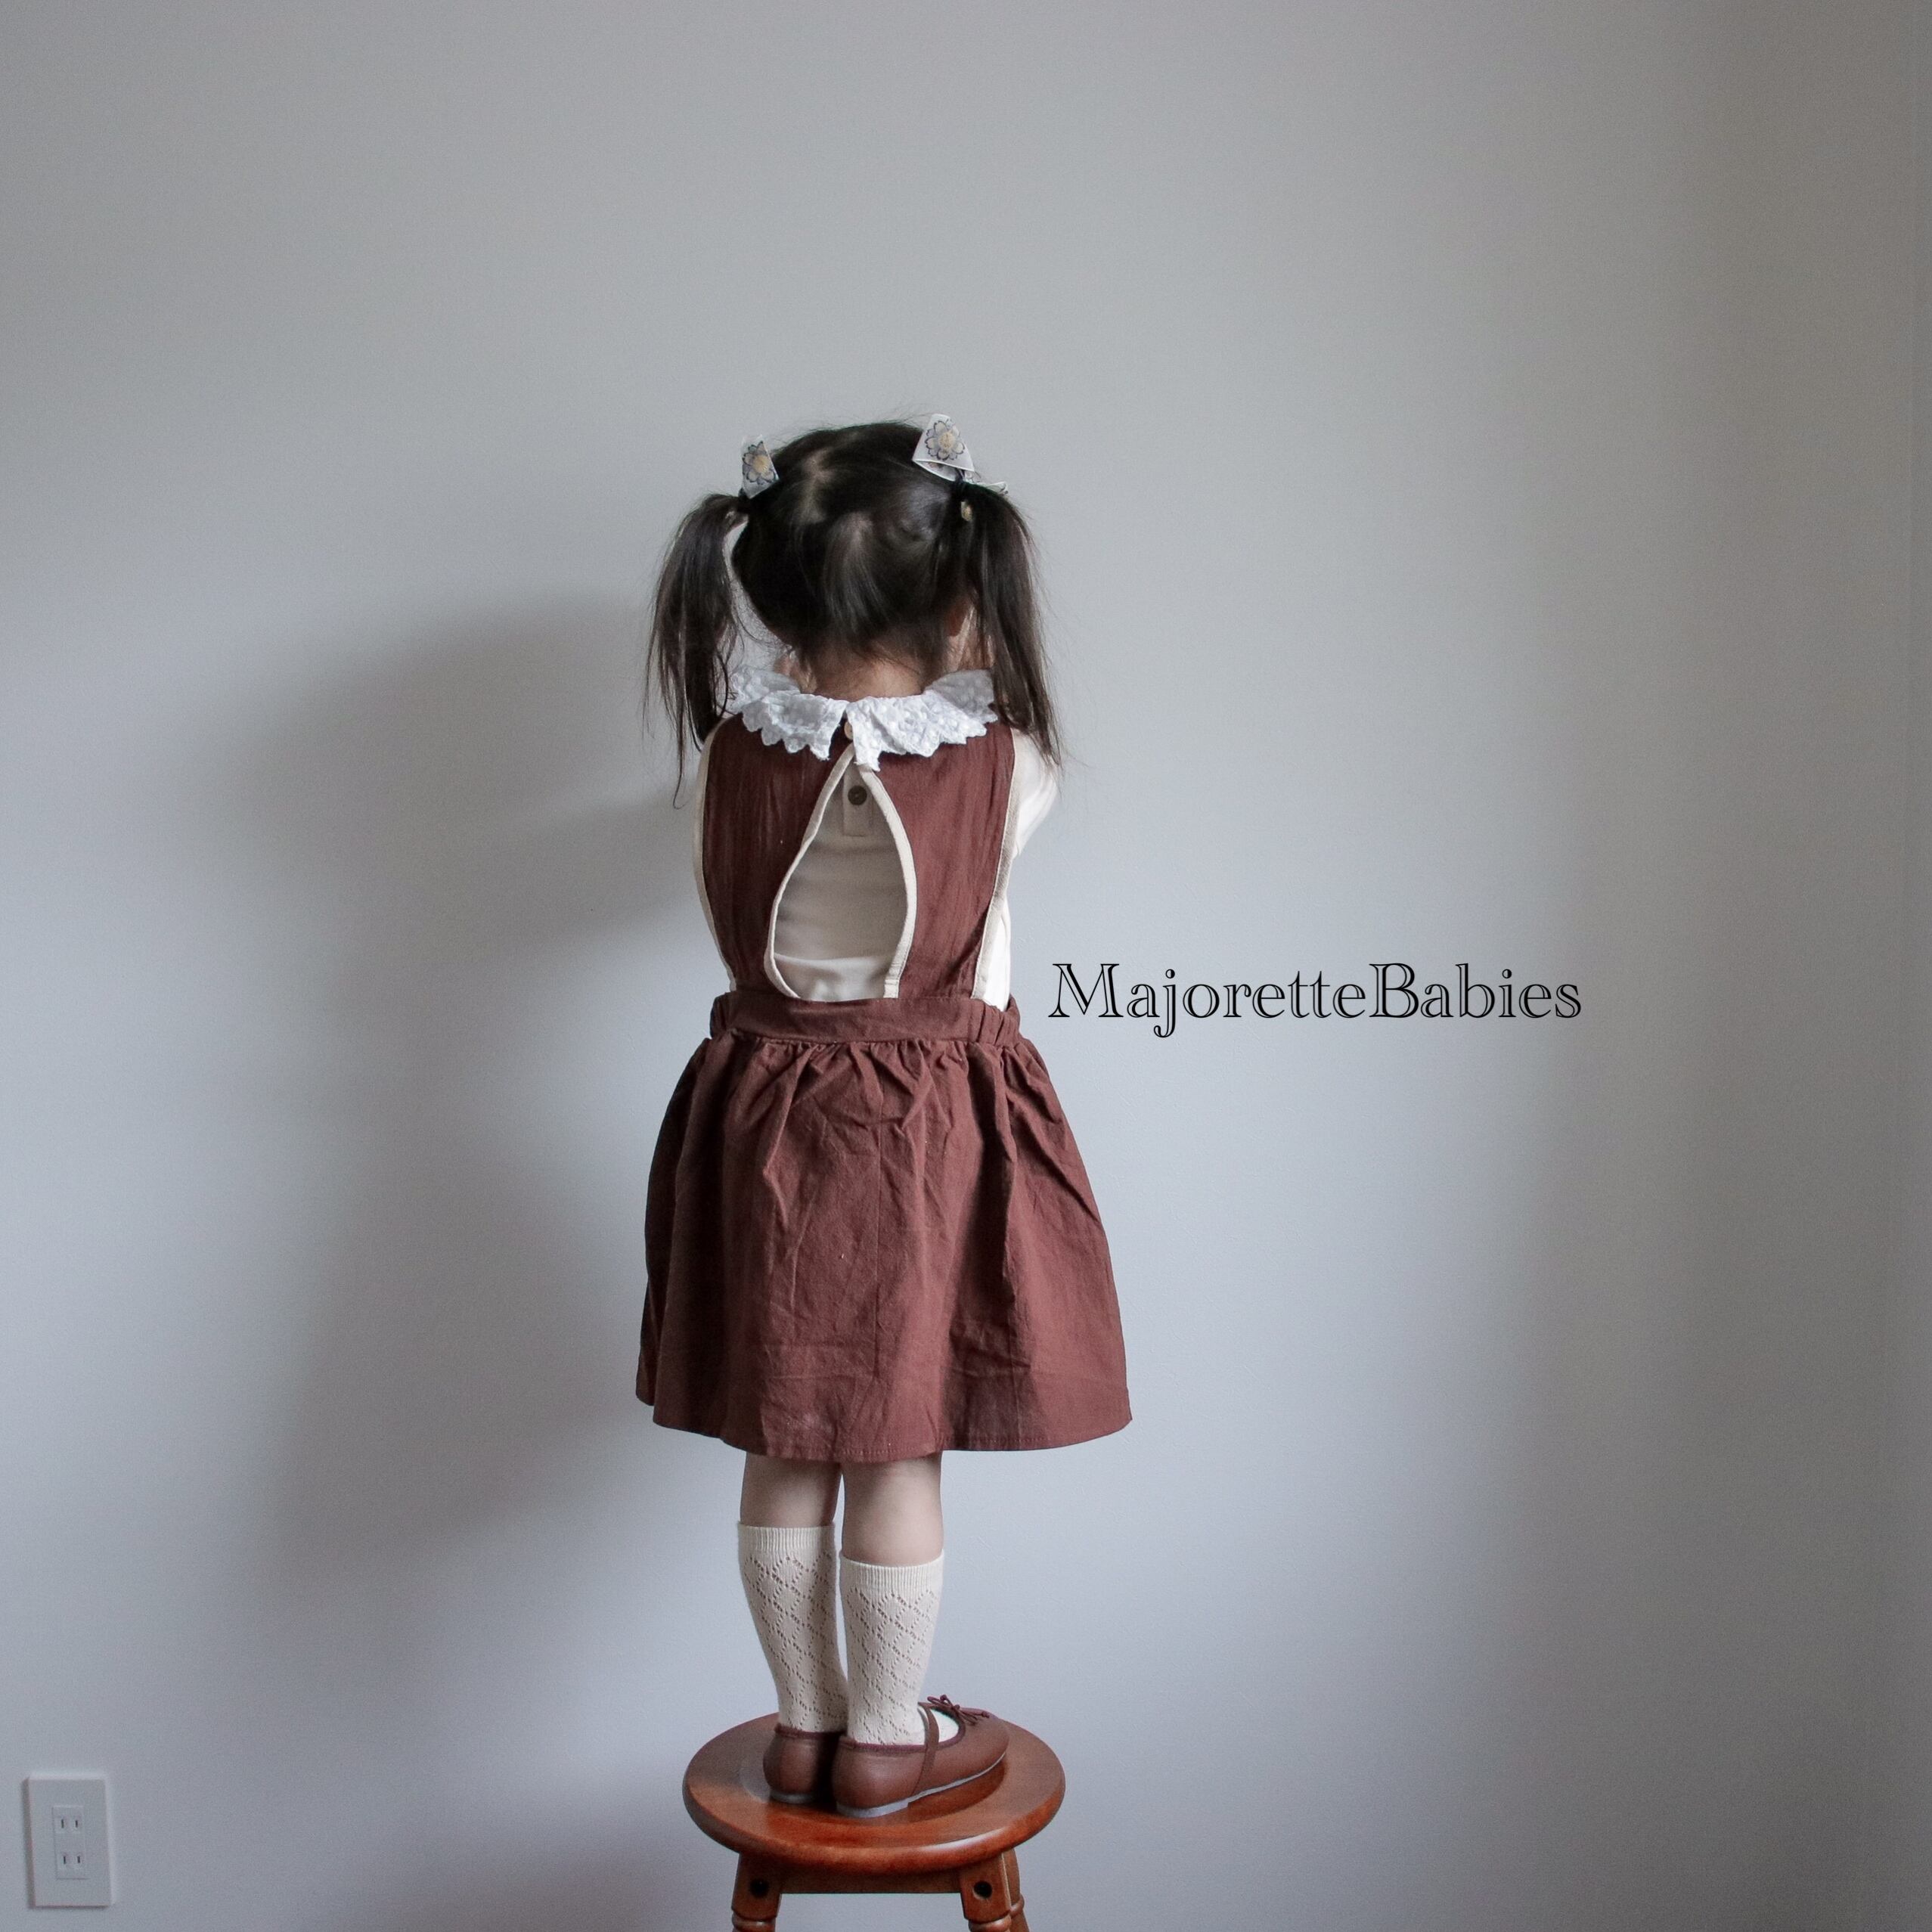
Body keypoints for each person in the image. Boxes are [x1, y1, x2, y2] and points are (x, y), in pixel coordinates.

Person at [638, 414, 1131, 1819]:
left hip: (760, 1120)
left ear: (762, 590)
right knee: (896, 1439)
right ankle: (888, 1737)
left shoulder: (724, 759)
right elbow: (979, 736)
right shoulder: (1010, 765)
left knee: (788, 1433)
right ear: (963, 594)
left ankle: (806, 1728)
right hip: (926, 1134)